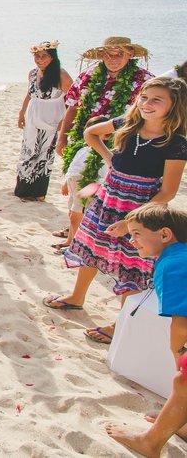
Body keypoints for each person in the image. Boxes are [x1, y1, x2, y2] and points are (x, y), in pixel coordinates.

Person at [45, 77, 187, 346]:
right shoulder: (128, 124)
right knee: (92, 248)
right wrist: (110, 159)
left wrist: (131, 222)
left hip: (144, 207)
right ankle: (77, 297)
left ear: (174, 105)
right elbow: (91, 133)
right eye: (144, 96)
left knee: (133, 262)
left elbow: (167, 192)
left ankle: (120, 321)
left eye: (157, 99)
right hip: (109, 198)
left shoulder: (176, 143)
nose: (147, 103)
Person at [104, 204, 187, 458]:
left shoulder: (171, 263)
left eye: (137, 234)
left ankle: (151, 442)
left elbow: (181, 325)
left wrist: (178, 357)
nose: (132, 240)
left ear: (164, 235)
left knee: (182, 379)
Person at [51, 35, 153, 240]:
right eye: (108, 54)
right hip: (85, 142)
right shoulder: (87, 76)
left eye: (119, 54)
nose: (113, 59)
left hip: (123, 145)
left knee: (110, 191)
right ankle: (75, 229)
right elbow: (72, 108)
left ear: (130, 55)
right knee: (78, 184)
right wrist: (62, 138)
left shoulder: (145, 81)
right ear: (101, 56)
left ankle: (101, 232)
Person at [14, 41, 73, 200]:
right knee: (28, 151)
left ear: (52, 57)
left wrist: (65, 122)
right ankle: (23, 190)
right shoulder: (32, 73)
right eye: (37, 56)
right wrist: (21, 112)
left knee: (45, 154)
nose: (40, 59)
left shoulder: (61, 75)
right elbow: (29, 93)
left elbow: (74, 99)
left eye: (44, 56)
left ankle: (38, 193)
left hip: (52, 116)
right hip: (33, 114)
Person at [52, 115, 109, 254]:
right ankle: (70, 241)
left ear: (106, 136)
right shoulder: (83, 150)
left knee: (77, 216)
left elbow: (104, 176)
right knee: (72, 213)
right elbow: (73, 168)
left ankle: (75, 245)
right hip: (73, 185)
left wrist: (92, 188)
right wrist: (66, 182)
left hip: (86, 186)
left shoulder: (104, 153)